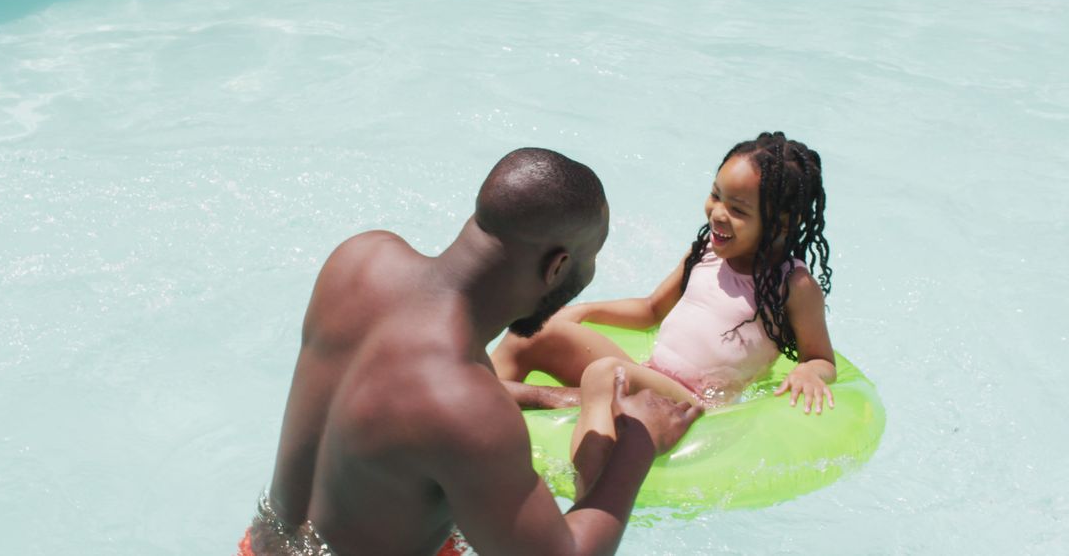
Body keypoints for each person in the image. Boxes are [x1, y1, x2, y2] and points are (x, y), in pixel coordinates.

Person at [238, 148, 702, 556]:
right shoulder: (467, 408)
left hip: (262, 544)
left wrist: (538, 396)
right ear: (558, 265)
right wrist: (639, 440)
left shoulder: (359, 259)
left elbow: (393, 394)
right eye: (591, 257)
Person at [490, 132, 837, 496]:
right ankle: (474, 423)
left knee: (606, 373)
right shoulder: (703, 252)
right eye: (716, 195)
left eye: (738, 210)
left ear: (781, 223)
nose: (718, 213)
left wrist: (809, 372)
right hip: (652, 376)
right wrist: (583, 310)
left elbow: (820, 358)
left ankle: (587, 497)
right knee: (534, 330)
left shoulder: (793, 286)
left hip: (695, 405)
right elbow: (651, 309)